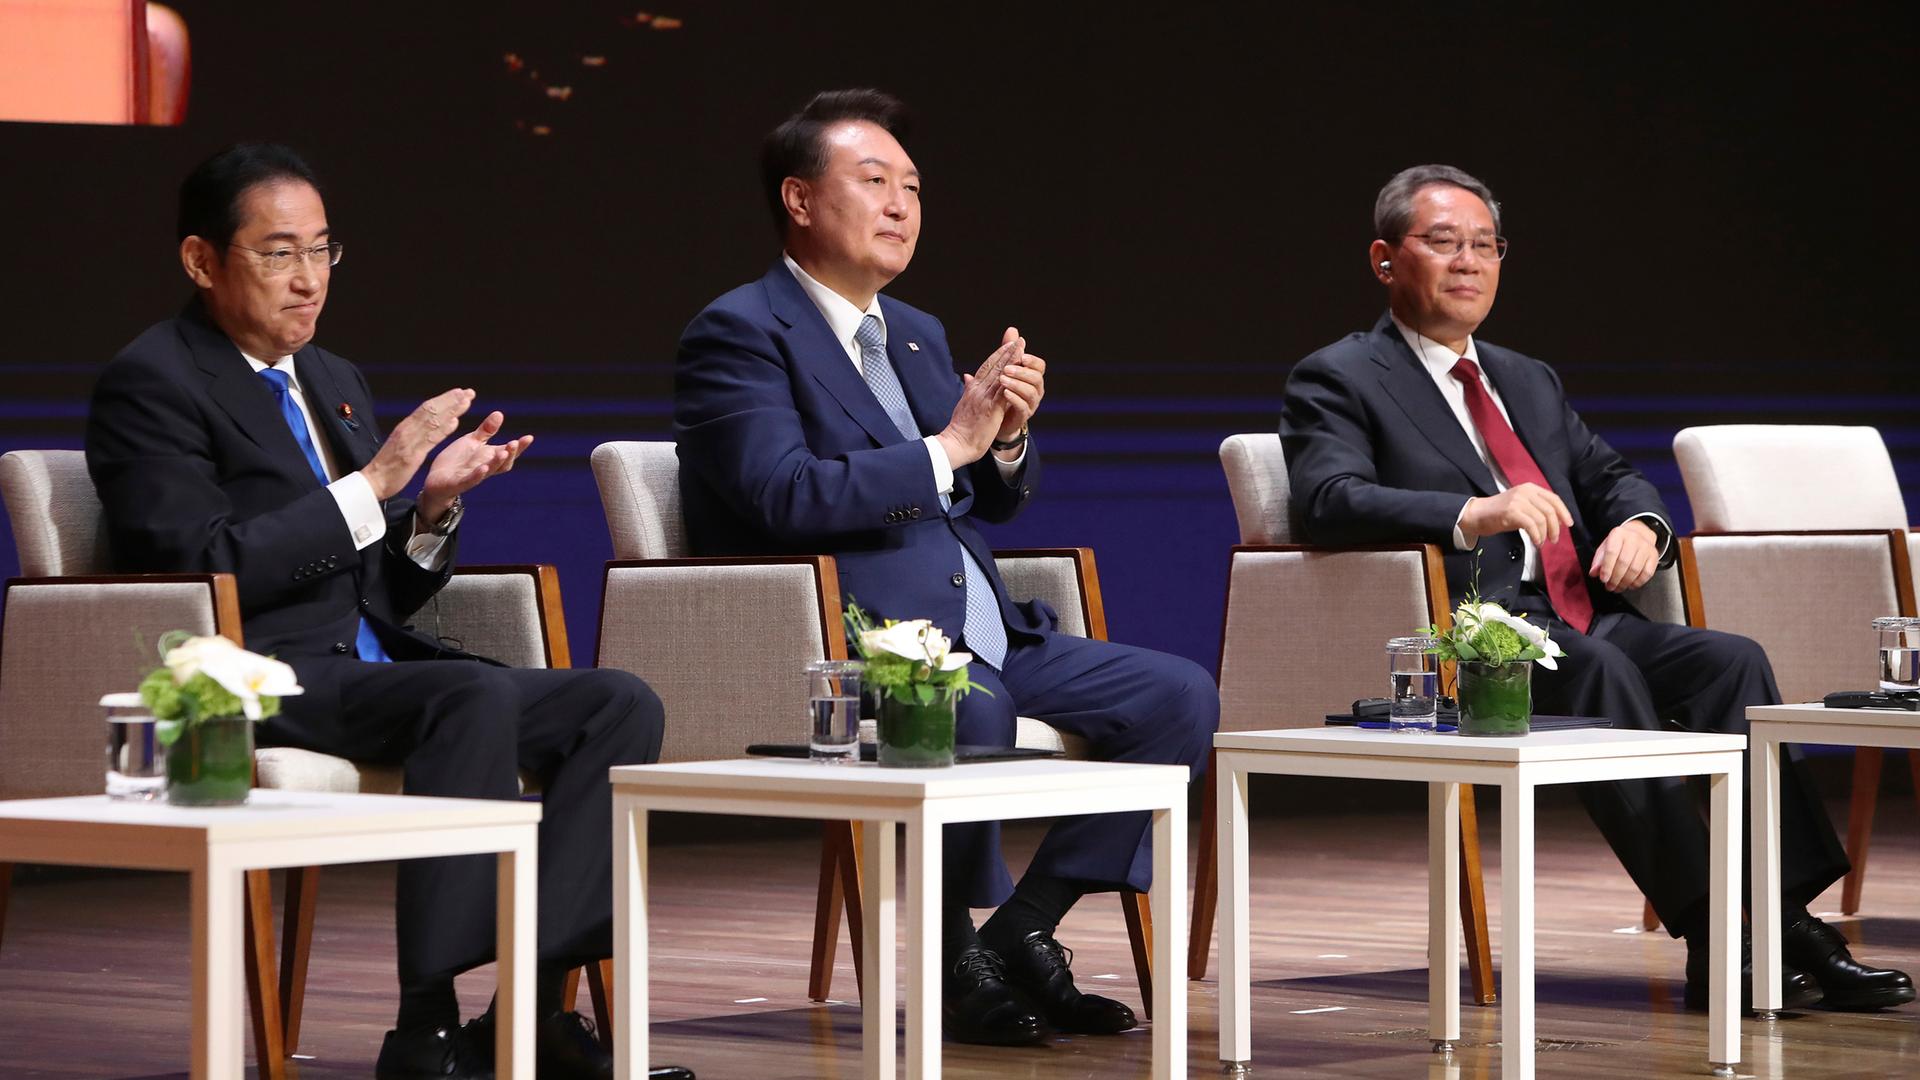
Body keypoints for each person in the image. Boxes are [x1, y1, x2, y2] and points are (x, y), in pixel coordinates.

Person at [84, 143, 695, 1080]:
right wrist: (374, 484)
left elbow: (377, 587)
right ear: (203, 261)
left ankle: (526, 1010)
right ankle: (425, 1027)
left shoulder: (332, 378)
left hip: (368, 668)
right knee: (469, 699)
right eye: (278, 253)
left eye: (323, 252)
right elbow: (199, 566)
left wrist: (429, 512)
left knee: (618, 703)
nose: (308, 281)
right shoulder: (153, 382)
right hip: (258, 674)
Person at [1280, 163, 1913, 1012]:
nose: (1468, 262)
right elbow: (1327, 501)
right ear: (1386, 260)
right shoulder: (1341, 376)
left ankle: (1787, 917)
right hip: (1478, 638)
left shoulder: (1526, 377)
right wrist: (1474, 510)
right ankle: (1713, 934)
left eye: (1484, 246)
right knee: (1603, 674)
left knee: (1729, 663)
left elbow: (1614, 475)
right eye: (1443, 243)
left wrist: (1640, 528)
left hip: (1584, 617)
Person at [673, 90, 1219, 1045]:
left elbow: (991, 494)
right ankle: (954, 956)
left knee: (1176, 696)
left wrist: (1005, 441)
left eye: (913, 188)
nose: (901, 206)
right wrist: (948, 448)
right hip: (857, 648)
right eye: (873, 183)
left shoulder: (915, 329)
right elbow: (780, 495)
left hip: (985, 628)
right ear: (799, 201)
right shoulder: (740, 331)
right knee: (974, 708)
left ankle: (1021, 929)